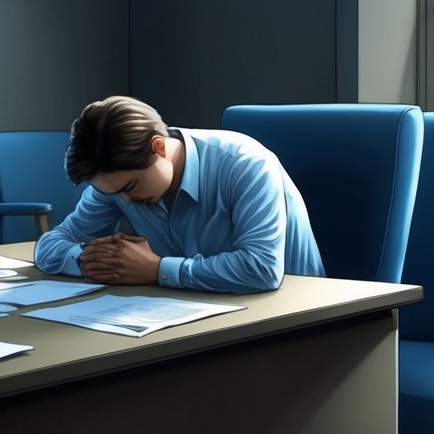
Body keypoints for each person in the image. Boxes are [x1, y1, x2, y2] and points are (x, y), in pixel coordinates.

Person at [34, 95, 324, 293]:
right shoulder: (117, 182)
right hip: (198, 311)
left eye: (131, 187)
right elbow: (51, 244)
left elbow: (261, 269)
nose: (124, 202)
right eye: (110, 193)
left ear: (159, 148)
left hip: (297, 317)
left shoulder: (246, 164)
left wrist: (156, 269)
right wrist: (88, 260)